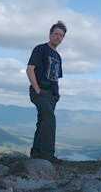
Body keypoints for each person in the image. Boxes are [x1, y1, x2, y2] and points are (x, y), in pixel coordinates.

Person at [26, 21, 67, 163]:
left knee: (43, 122)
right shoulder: (40, 49)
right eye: (55, 34)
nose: (58, 37)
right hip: (40, 91)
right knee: (50, 120)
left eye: (61, 35)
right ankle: (48, 155)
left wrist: (56, 95)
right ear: (50, 34)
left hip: (51, 95)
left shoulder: (58, 56)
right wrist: (37, 89)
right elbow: (30, 69)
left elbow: (55, 78)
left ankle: (36, 153)